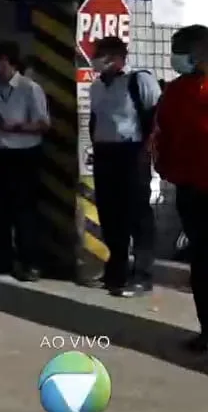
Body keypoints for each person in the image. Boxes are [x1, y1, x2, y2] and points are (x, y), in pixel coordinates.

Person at [88, 36, 160, 297]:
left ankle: (142, 275)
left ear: (118, 58)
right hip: (106, 153)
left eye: (102, 54)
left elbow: (155, 117)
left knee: (137, 214)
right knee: (110, 214)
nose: (96, 59)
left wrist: (147, 151)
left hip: (132, 153)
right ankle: (115, 270)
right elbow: (95, 119)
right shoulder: (96, 87)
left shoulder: (138, 81)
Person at [152, 24, 208, 353]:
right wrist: (166, 169)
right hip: (190, 190)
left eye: (180, 50)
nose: (175, 57)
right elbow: (163, 136)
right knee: (201, 265)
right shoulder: (174, 93)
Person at [0, 40, 50, 282]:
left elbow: (43, 124)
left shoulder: (30, 89)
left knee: (24, 213)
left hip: (23, 157)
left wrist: (14, 127)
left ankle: (29, 263)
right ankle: (1, 261)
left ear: (5, 60)